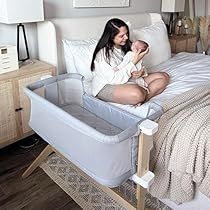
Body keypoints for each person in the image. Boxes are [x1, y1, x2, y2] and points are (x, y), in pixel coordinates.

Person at [90, 18, 169, 105]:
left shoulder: (127, 46)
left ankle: (144, 99)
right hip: (107, 85)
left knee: (164, 77)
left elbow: (138, 66)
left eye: (126, 34)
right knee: (137, 94)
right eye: (122, 36)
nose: (126, 37)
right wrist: (134, 62)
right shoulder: (103, 54)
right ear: (111, 36)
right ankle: (140, 96)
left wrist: (141, 72)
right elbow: (116, 79)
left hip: (128, 79)